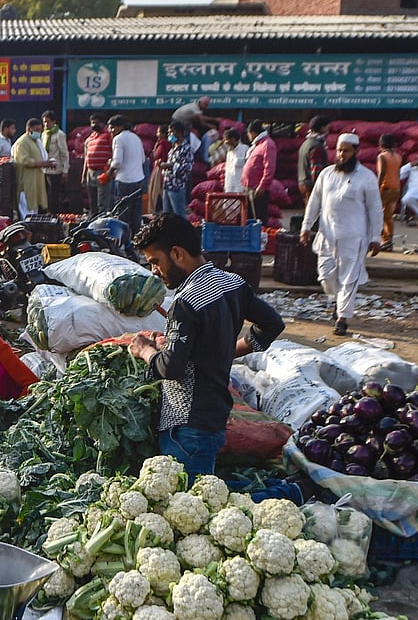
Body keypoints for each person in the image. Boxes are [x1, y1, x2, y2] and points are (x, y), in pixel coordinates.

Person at [129, 214, 284, 479]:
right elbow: (272, 324)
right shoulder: (232, 283)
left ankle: (290, 492)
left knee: (192, 500)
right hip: (214, 414)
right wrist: (227, 352)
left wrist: (145, 350)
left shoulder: (186, 302)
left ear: (177, 253)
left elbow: (171, 368)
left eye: (155, 261)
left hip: (187, 424)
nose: (154, 271)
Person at [300, 132, 382, 336]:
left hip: (354, 238)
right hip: (327, 236)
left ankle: (342, 319)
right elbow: (314, 203)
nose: (341, 155)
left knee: (349, 279)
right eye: (338, 150)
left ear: (356, 151)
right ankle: (337, 302)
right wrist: (306, 226)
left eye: (346, 151)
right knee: (326, 276)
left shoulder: (366, 177)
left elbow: (375, 209)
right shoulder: (326, 174)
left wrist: (375, 237)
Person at [105, 115, 145, 234]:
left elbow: (117, 161)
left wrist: (109, 173)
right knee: (136, 213)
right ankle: (136, 239)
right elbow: (142, 159)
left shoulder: (119, 139)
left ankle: (123, 240)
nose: (111, 131)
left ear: (120, 127)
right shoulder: (136, 137)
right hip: (138, 180)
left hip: (124, 181)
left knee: (123, 213)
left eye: (112, 128)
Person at [11, 118, 49, 215]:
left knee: (34, 212)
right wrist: (44, 164)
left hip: (35, 184)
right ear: (29, 129)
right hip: (26, 185)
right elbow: (25, 161)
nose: (39, 133)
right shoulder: (22, 142)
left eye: (40, 130)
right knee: (27, 214)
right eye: (36, 130)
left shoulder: (36, 142)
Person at [241, 119, 276, 224]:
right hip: (249, 188)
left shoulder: (267, 145)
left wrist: (262, 185)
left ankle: (260, 239)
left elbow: (269, 168)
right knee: (248, 219)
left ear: (252, 133)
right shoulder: (257, 145)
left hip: (257, 189)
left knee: (258, 220)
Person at [160, 120, 195, 219]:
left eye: (172, 132)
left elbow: (188, 167)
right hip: (167, 186)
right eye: (169, 133)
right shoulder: (172, 150)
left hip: (177, 187)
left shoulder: (186, 149)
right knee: (166, 217)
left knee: (180, 217)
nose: (170, 135)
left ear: (179, 133)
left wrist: (171, 166)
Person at [82, 113, 113, 218]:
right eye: (92, 122)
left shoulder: (108, 135)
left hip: (102, 172)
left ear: (103, 124)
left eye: (97, 122)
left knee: (102, 200)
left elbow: (114, 152)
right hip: (90, 172)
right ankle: (93, 220)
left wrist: (110, 170)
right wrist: (84, 175)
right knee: (92, 201)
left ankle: (102, 221)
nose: (94, 125)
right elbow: (86, 158)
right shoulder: (89, 139)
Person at [377, 134, 403, 251]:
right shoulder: (398, 156)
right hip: (396, 189)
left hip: (385, 189)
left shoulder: (382, 156)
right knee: (389, 217)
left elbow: (382, 173)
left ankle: (382, 240)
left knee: (378, 216)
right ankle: (388, 242)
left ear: (381, 144)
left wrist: (376, 188)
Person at [41, 110, 69, 214]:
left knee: (54, 196)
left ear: (54, 122)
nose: (46, 124)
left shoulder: (59, 134)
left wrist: (65, 170)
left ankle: (55, 215)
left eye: (48, 122)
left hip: (56, 170)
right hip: (44, 169)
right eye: (44, 122)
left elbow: (64, 153)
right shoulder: (44, 134)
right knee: (45, 196)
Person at [297, 115, 330, 205]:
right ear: (322, 128)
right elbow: (316, 170)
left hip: (303, 183)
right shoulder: (317, 146)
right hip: (311, 187)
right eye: (327, 127)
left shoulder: (305, 144)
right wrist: (320, 190)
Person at [222, 128, 249, 195]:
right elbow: (228, 170)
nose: (225, 142)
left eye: (226, 139)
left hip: (240, 187)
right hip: (229, 186)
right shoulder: (229, 152)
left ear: (233, 139)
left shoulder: (245, 149)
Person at [400, 151, 418, 224]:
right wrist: (410, 164)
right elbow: (400, 174)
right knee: (406, 199)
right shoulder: (412, 168)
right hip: (413, 192)